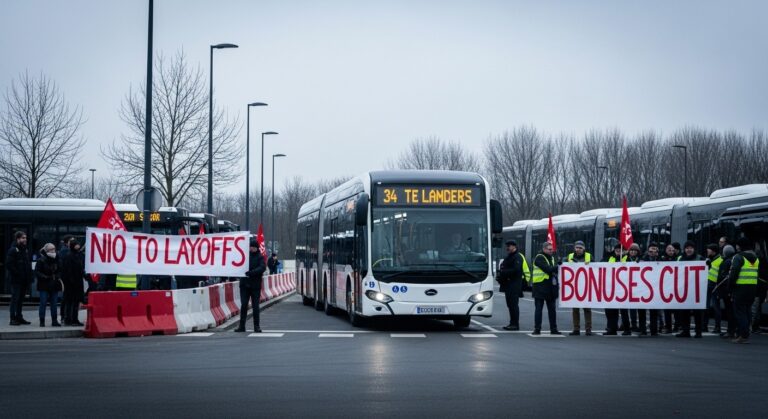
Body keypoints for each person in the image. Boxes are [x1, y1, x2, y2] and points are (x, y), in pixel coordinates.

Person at [728, 237, 759, 343]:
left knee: (740, 312)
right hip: (752, 289)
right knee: (747, 311)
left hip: (740, 288)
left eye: (737, 245)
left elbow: (733, 274)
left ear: (740, 246)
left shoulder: (738, 257)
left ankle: (743, 336)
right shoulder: (756, 258)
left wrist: (730, 287)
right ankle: (746, 333)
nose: (736, 247)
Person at [235, 238, 267, 333]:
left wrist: (251, 273)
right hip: (244, 285)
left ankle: (256, 326)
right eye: (250, 247)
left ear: (256, 248)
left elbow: (262, 268)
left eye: (252, 247)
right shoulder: (244, 256)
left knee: (255, 306)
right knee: (244, 305)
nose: (251, 248)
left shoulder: (260, 257)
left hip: (255, 285)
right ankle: (242, 326)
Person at [676, 241, 704, 338]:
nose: (689, 250)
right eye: (687, 248)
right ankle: (685, 331)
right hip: (684, 288)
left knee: (697, 312)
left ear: (694, 249)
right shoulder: (680, 258)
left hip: (697, 289)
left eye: (690, 248)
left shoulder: (700, 258)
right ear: (684, 249)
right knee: (684, 311)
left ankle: (698, 331)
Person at [531, 241, 560, 335]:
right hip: (540, 287)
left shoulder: (551, 258)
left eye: (552, 249)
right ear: (544, 249)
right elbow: (548, 269)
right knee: (539, 309)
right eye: (549, 249)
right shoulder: (539, 257)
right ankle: (537, 329)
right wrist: (558, 266)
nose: (552, 251)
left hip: (550, 287)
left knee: (552, 310)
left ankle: (554, 328)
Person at [6, 231, 33, 326]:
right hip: (16, 280)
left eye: (25, 238)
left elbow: (27, 265)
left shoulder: (24, 250)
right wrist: (18, 274)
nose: (25, 239)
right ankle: (12, 319)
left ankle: (19, 317)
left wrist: (29, 277)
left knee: (20, 300)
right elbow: (9, 265)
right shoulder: (13, 250)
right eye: (23, 238)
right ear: (18, 239)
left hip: (24, 280)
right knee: (15, 299)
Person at [497, 240, 524, 331]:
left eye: (509, 246)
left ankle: (515, 324)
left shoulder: (517, 257)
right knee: (510, 305)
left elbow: (516, 270)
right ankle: (512, 323)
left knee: (513, 305)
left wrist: (503, 272)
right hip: (508, 285)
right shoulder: (509, 256)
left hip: (514, 285)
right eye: (507, 246)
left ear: (514, 247)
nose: (507, 248)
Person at [567, 241, 592, 336]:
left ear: (584, 248)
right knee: (575, 309)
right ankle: (576, 329)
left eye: (580, 248)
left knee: (587, 309)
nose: (578, 249)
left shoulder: (589, 256)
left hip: (586, 285)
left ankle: (588, 329)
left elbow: (595, 268)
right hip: (574, 285)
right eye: (577, 247)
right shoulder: (569, 257)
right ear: (574, 248)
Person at [35, 243, 62, 327]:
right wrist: (45, 277)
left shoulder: (57, 259)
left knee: (54, 303)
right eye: (51, 249)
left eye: (54, 248)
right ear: (46, 251)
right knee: (43, 303)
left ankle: (54, 321)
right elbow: (37, 272)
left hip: (54, 284)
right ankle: (42, 321)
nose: (53, 250)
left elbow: (61, 270)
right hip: (44, 284)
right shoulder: (41, 260)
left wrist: (57, 276)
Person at [603, 244, 627, 336]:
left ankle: (624, 327)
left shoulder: (627, 258)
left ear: (624, 251)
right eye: (616, 250)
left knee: (621, 310)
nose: (618, 251)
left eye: (620, 250)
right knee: (609, 310)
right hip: (610, 287)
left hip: (622, 288)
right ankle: (611, 328)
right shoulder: (610, 257)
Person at [61, 238, 85, 326]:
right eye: (76, 244)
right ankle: (69, 319)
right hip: (71, 283)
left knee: (76, 302)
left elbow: (80, 268)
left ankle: (74, 319)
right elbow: (68, 270)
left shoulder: (77, 255)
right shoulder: (69, 256)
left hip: (77, 282)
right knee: (70, 302)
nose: (78, 246)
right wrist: (71, 281)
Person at [638, 242, 660, 336]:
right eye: (651, 250)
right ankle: (643, 330)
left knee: (654, 311)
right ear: (648, 251)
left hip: (656, 288)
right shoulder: (642, 259)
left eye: (655, 249)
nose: (653, 252)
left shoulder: (661, 260)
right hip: (643, 288)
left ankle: (654, 330)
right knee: (641, 311)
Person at [715, 245, 736, 338]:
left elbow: (722, 277)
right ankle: (733, 330)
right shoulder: (734, 260)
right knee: (733, 311)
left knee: (730, 311)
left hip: (726, 290)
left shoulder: (726, 261)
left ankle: (730, 331)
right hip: (732, 290)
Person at [659, 243, 679, 333]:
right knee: (667, 309)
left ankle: (677, 326)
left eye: (672, 250)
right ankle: (668, 326)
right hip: (666, 287)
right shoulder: (662, 259)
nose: (671, 252)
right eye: (669, 250)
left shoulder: (678, 259)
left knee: (676, 309)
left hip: (676, 287)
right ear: (666, 250)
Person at [704, 243, 723, 332]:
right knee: (706, 306)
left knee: (716, 307)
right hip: (708, 285)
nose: (707, 250)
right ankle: (704, 326)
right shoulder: (709, 259)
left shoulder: (720, 260)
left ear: (713, 251)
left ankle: (717, 327)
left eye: (709, 249)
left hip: (715, 287)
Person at [750, 242, 767, 334]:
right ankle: (755, 326)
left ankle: (753, 326)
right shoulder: (763, 263)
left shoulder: (755, 264)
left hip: (756, 288)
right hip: (761, 288)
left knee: (754, 308)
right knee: (757, 308)